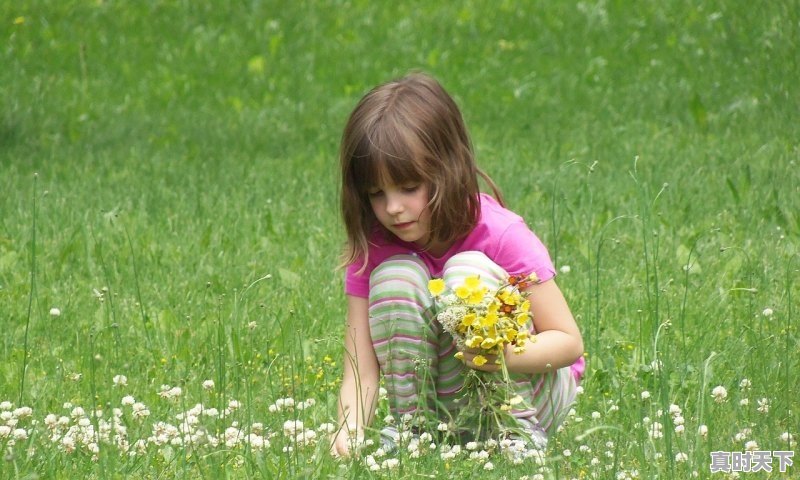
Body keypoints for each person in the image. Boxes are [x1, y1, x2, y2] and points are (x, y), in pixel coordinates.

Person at [331, 72, 584, 457]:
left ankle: (516, 434)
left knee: (466, 272)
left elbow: (568, 343)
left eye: (409, 188)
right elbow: (361, 368)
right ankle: (414, 430)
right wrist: (347, 434)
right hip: (450, 407)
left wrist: (498, 355)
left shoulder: (499, 234)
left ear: (447, 168)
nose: (393, 208)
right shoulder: (375, 247)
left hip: (532, 390)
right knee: (396, 277)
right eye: (376, 194)